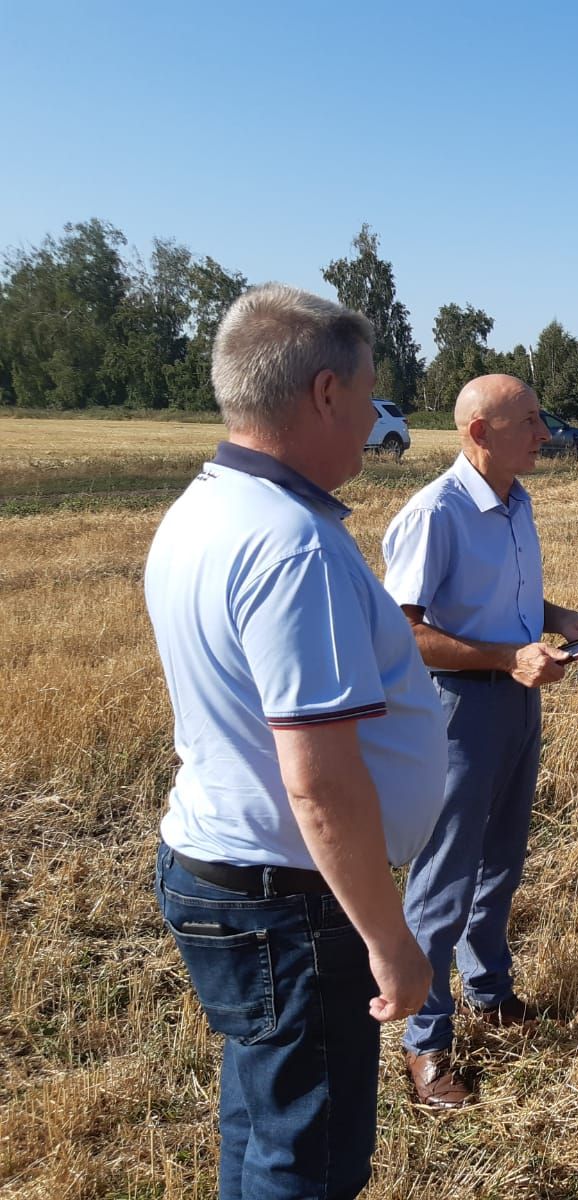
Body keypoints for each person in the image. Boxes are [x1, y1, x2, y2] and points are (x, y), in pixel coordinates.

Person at [145, 283, 447, 1199]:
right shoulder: (293, 546)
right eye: (368, 397)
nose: (373, 421)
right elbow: (317, 782)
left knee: (263, 1125)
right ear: (325, 393)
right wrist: (387, 937)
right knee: (307, 1161)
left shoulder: (204, 509)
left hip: (224, 871)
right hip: (292, 905)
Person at [381, 374, 578, 1108]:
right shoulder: (436, 513)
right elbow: (406, 632)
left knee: (501, 865)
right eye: (528, 422)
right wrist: (506, 658)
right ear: (479, 432)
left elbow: (496, 600)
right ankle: (424, 1044)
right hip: (457, 710)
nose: (543, 433)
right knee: (444, 880)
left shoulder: (516, 501)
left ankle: (490, 994)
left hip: (515, 703)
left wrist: (557, 617)